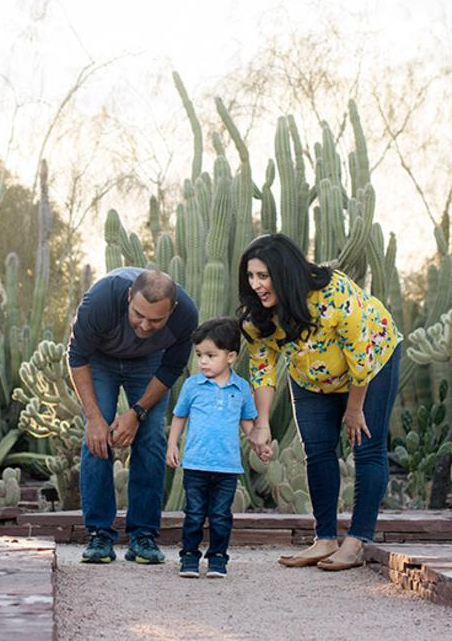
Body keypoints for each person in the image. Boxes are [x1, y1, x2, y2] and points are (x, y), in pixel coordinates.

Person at [238, 233, 400, 571]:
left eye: (263, 276)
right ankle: (325, 538)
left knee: (367, 446)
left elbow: (361, 357)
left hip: (372, 361)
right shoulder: (257, 319)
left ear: (283, 272)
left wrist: (354, 411)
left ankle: (357, 540)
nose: (256, 285)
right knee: (318, 448)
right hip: (310, 376)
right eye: (251, 276)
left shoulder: (333, 293)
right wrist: (262, 422)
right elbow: (263, 370)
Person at [68, 267, 199, 564]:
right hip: (100, 360)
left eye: (156, 320)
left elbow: (170, 369)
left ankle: (144, 536)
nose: (144, 325)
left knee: (151, 436)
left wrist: (137, 413)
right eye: (138, 314)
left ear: (173, 310)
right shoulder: (102, 299)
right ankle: (99, 534)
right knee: (97, 439)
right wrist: (94, 418)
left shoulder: (186, 314)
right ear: (129, 296)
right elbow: (76, 357)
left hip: (149, 364)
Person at [167, 317, 258, 578]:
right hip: (195, 463)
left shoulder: (241, 388)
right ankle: (189, 558)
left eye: (210, 355)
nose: (203, 361)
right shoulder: (192, 385)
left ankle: (218, 559)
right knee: (194, 514)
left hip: (227, 467)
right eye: (199, 355)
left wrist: (258, 445)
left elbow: (247, 424)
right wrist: (173, 444)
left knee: (220, 516)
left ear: (230, 356)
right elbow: (179, 416)